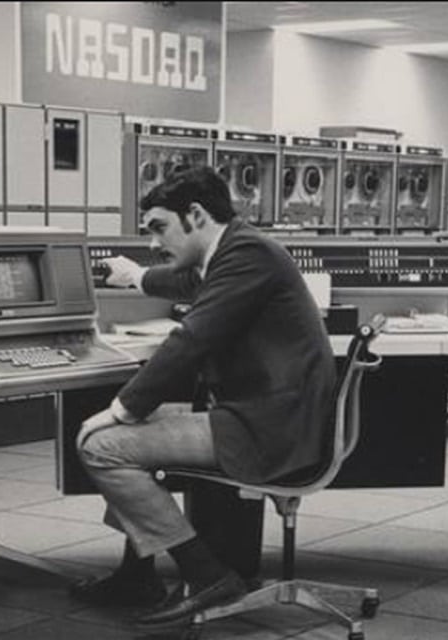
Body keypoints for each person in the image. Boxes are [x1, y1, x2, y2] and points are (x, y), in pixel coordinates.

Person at [72, 166, 336, 629]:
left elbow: (192, 339)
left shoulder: (247, 253)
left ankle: (207, 576)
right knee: (140, 429)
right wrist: (135, 276)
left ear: (194, 214)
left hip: (270, 429)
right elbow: (187, 283)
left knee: (103, 444)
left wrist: (120, 408)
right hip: (271, 415)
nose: (154, 242)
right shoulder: (236, 250)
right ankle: (136, 575)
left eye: (159, 227)